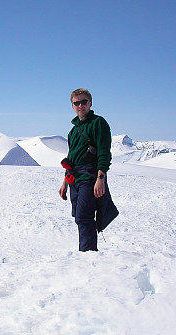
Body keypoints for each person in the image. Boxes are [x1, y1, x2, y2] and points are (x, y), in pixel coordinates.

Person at [59, 88, 118, 252]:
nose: (80, 105)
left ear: (90, 103)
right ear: (72, 106)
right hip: (74, 178)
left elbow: (104, 152)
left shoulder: (98, 123)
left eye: (83, 101)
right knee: (79, 216)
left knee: (84, 216)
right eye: (76, 103)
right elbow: (71, 158)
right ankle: (86, 252)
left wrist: (101, 178)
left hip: (90, 176)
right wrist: (65, 183)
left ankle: (88, 255)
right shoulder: (73, 131)